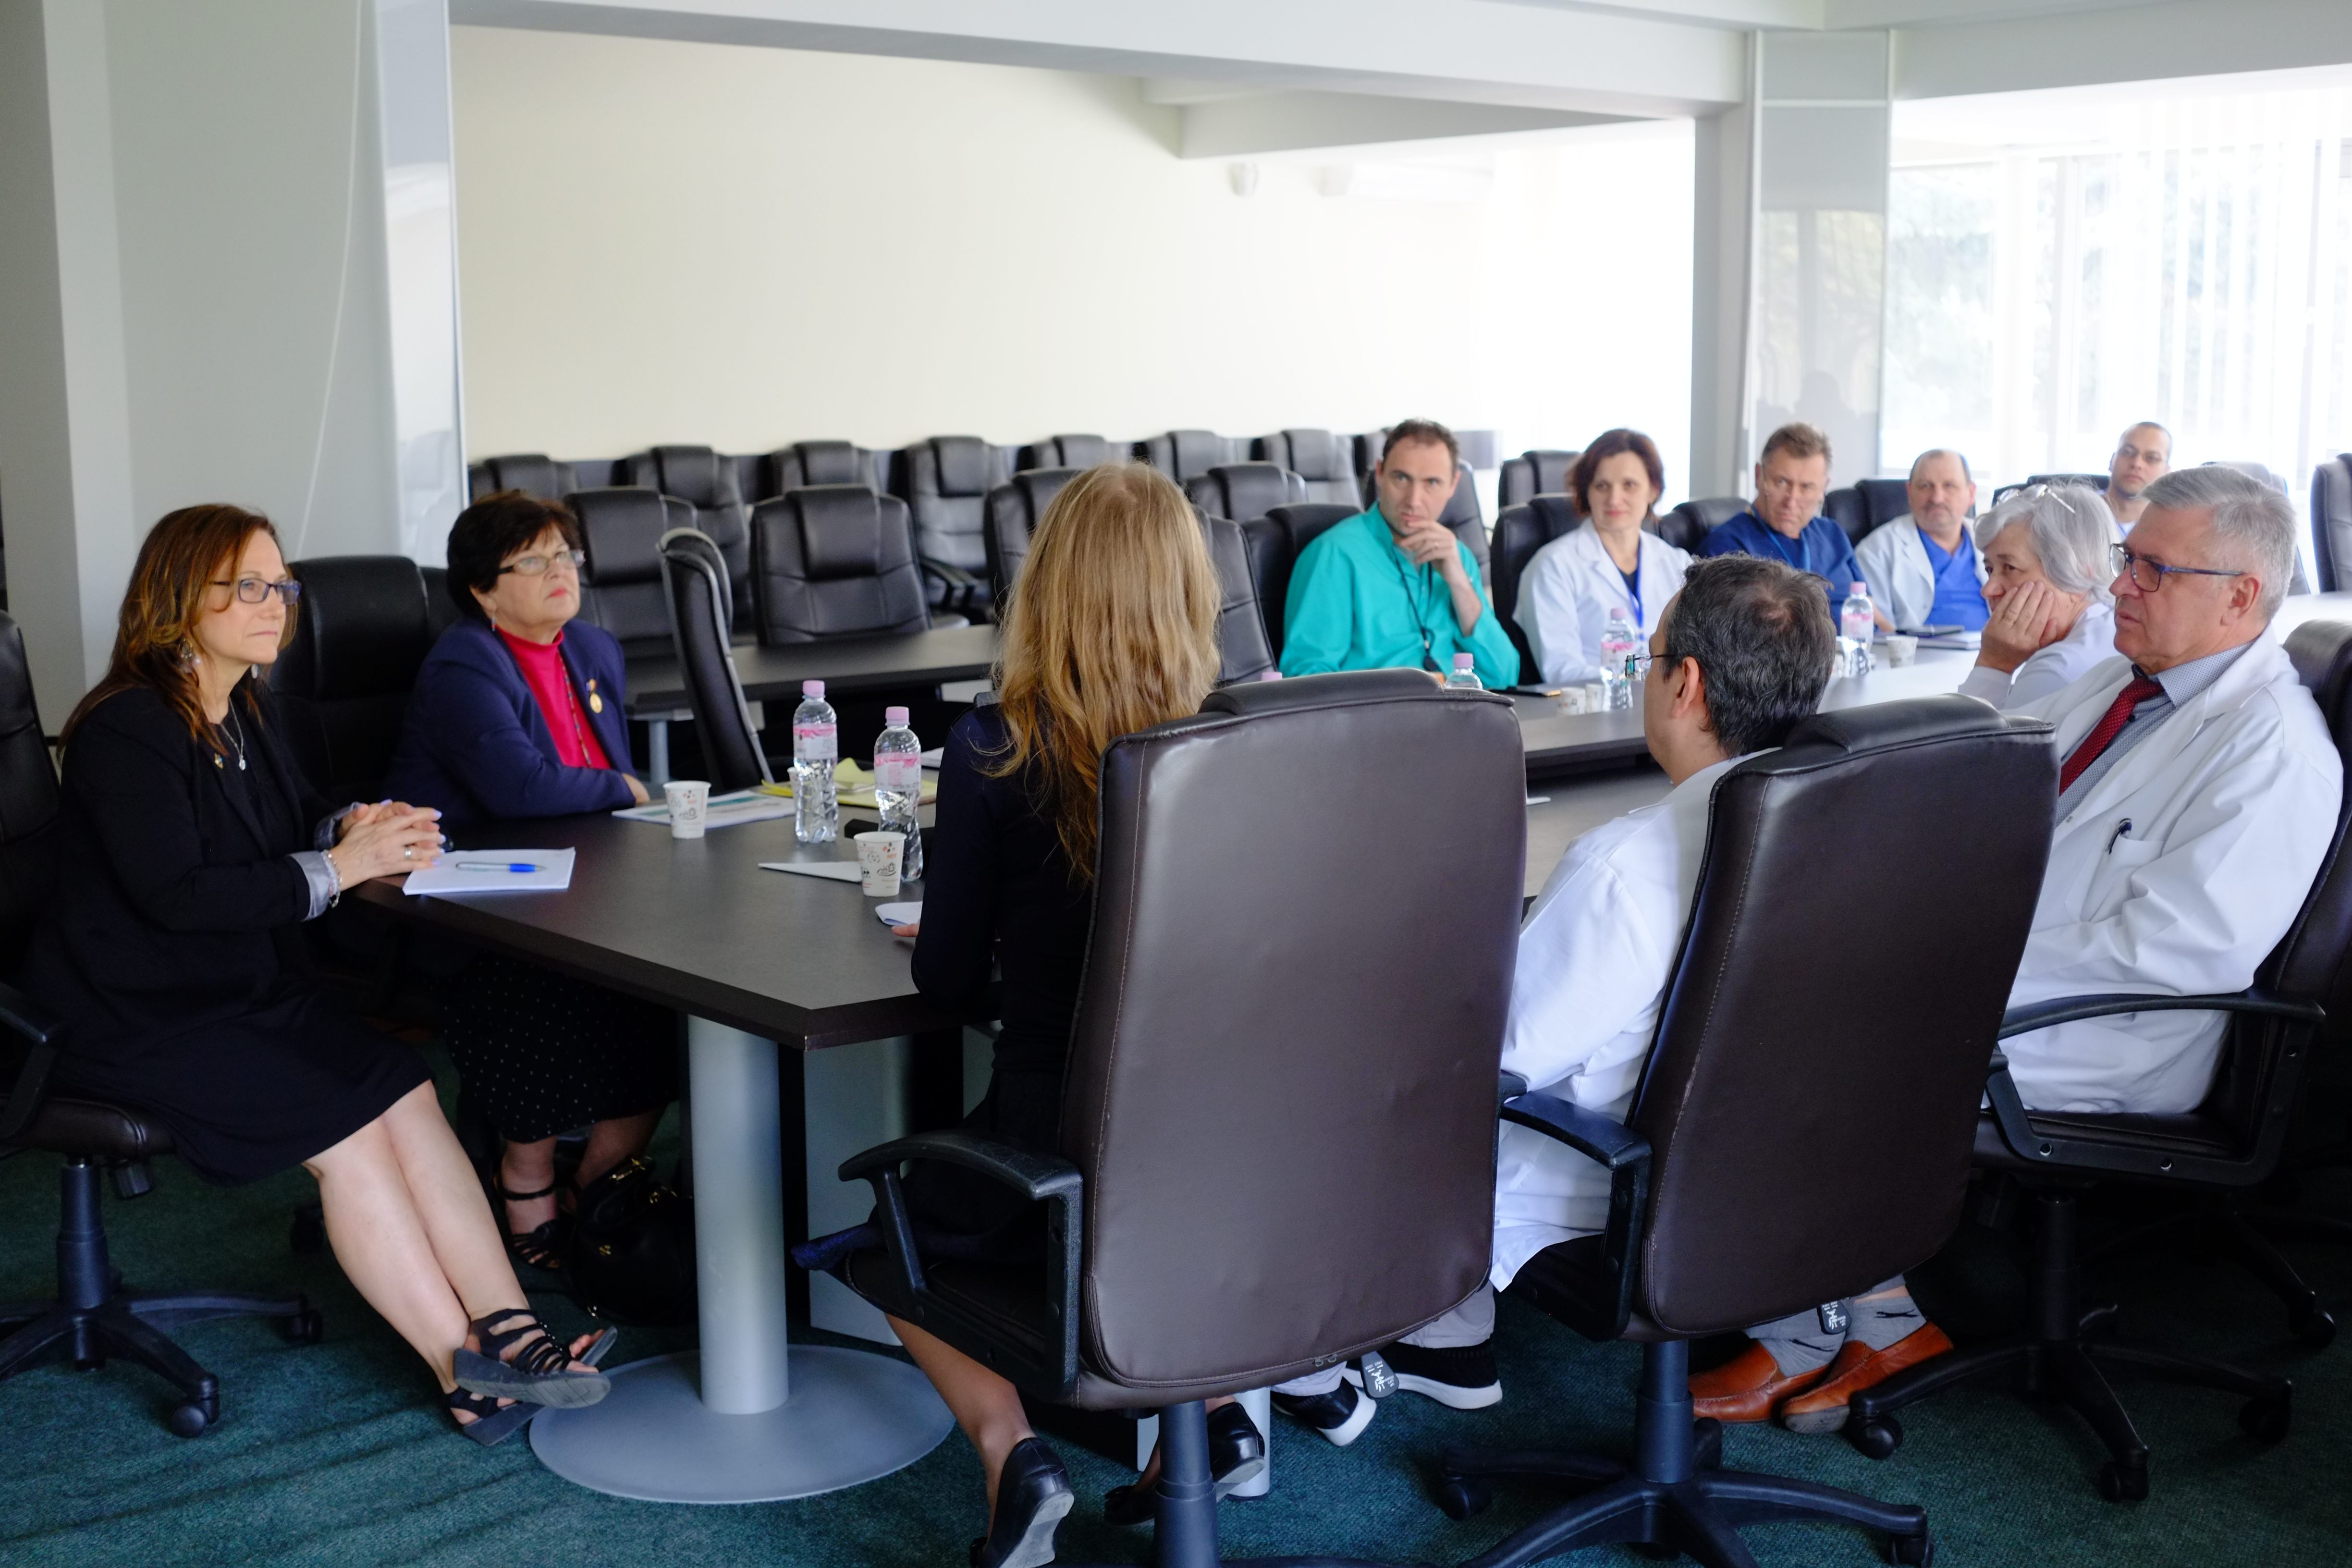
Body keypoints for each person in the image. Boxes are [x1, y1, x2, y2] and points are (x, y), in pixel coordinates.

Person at [1698, 466, 2341, 1432]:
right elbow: (1986, 788)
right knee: (1784, 984)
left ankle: (1843, 1325)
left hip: (2119, 1029)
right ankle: (1856, 1309)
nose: (2121, 585)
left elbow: (2174, 955)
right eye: (2129, 560)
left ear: (2241, 596)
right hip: (2020, 974)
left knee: (1815, 1037)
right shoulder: (2126, 685)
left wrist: (1946, 971)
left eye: (2153, 571)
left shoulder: (2272, 749)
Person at [21, 504, 610, 1446]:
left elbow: (301, 814)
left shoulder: (242, 708)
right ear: (177, 598)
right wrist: (339, 867)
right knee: (348, 1136)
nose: (275, 604)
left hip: (237, 993)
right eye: (245, 587)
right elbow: (178, 894)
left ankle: (518, 1334)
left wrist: (358, 826)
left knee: (406, 1086)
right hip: (135, 1015)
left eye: (281, 586)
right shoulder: (126, 728)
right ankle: (464, 1370)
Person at [796, 464, 1234, 1568]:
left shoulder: (996, 745)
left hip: (1058, 1139)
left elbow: (943, 985)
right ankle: (1193, 1433)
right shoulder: (1230, 739)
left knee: (866, 1247)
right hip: (1224, 1144)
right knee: (1165, 1225)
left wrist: (1003, 958)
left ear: (1049, 587)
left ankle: (1013, 1455)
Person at [1388, 556, 1848, 1422]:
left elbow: (1494, 1057)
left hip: (1616, 1187)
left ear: (1686, 685)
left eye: (1651, 655)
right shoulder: (1842, 826)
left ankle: (1423, 1332)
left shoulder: (1623, 869)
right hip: (1780, 1168)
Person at [384, 491, 677, 1273]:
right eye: (536, 559)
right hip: (476, 905)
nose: (561, 572)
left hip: (580, 878)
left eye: (566, 555)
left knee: (666, 992)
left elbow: (592, 776)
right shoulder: (462, 664)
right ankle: (526, 1171)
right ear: (484, 588)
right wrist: (627, 787)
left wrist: (621, 791)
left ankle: (601, 1183)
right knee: (545, 989)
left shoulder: (592, 649)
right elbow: (523, 788)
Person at [1280, 418, 1518, 687]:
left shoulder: (1457, 555)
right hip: (1378, 721)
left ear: (1453, 485)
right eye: (1402, 478)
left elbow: (1505, 675)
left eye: (1432, 483)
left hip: (1459, 716)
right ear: (1380, 473)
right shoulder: (1334, 556)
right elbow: (1306, 679)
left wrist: (1460, 583)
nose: (1414, 501)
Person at [1513, 429, 1691, 686]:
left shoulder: (1678, 562)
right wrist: (1638, 682)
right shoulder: (1552, 566)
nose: (1614, 499)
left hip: (1669, 707)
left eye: (1629, 485)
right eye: (1602, 486)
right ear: (1587, 492)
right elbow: (1559, 669)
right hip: (1591, 712)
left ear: (1653, 491)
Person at [1701, 423, 1889, 631]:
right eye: (1782, 482)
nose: (1791, 501)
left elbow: (1874, 616)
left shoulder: (1832, 534)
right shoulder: (1726, 548)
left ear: (1823, 489)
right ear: (1759, 476)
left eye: (1807, 487)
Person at [1957, 484, 2122, 711]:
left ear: (2077, 576)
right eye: (1989, 570)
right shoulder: (2113, 629)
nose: (1988, 590)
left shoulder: (2054, 672)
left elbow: (1967, 745)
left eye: (2010, 568)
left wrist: (1993, 664)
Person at [1852, 449, 1987, 632]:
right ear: (1909, 492)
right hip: (1917, 657)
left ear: (1971, 493)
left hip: (1994, 654)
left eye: (1949, 486)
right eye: (1925, 486)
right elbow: (1879, 634)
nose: (1937, 498)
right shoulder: (1876, 550)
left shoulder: (1992, 541)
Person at [2104, 421, 2172, 529]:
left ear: (2166, 472)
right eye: (2127, 452)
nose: (2137, 464)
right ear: (2112, 461)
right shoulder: (2075, 511)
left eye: (2152, 458)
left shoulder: (2173, 529)